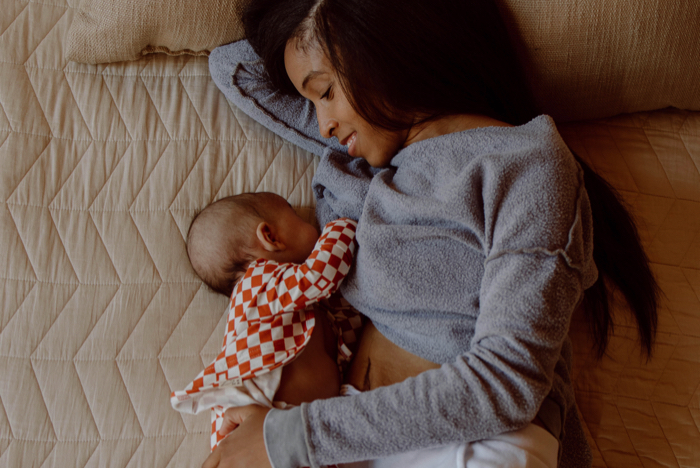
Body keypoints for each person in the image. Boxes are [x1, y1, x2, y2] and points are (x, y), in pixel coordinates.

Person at [202, 0, 660, 467]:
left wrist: (291, 438)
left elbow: (507, 383)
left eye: (325, 92)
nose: (323, 123)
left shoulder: (525, 166)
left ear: (382, 52)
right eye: (311, 102)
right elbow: (233, 67)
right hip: (354, 440)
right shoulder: (363, 164)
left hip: (472, 442)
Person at [171, 192, 362, 451]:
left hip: (297, 432)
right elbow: (322, 273)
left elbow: (349, 333)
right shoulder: (256, 284)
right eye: (294, 215)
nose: (311, 223)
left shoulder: (299, 305)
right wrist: (345, 223)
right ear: (271, 237)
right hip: (253, 428)